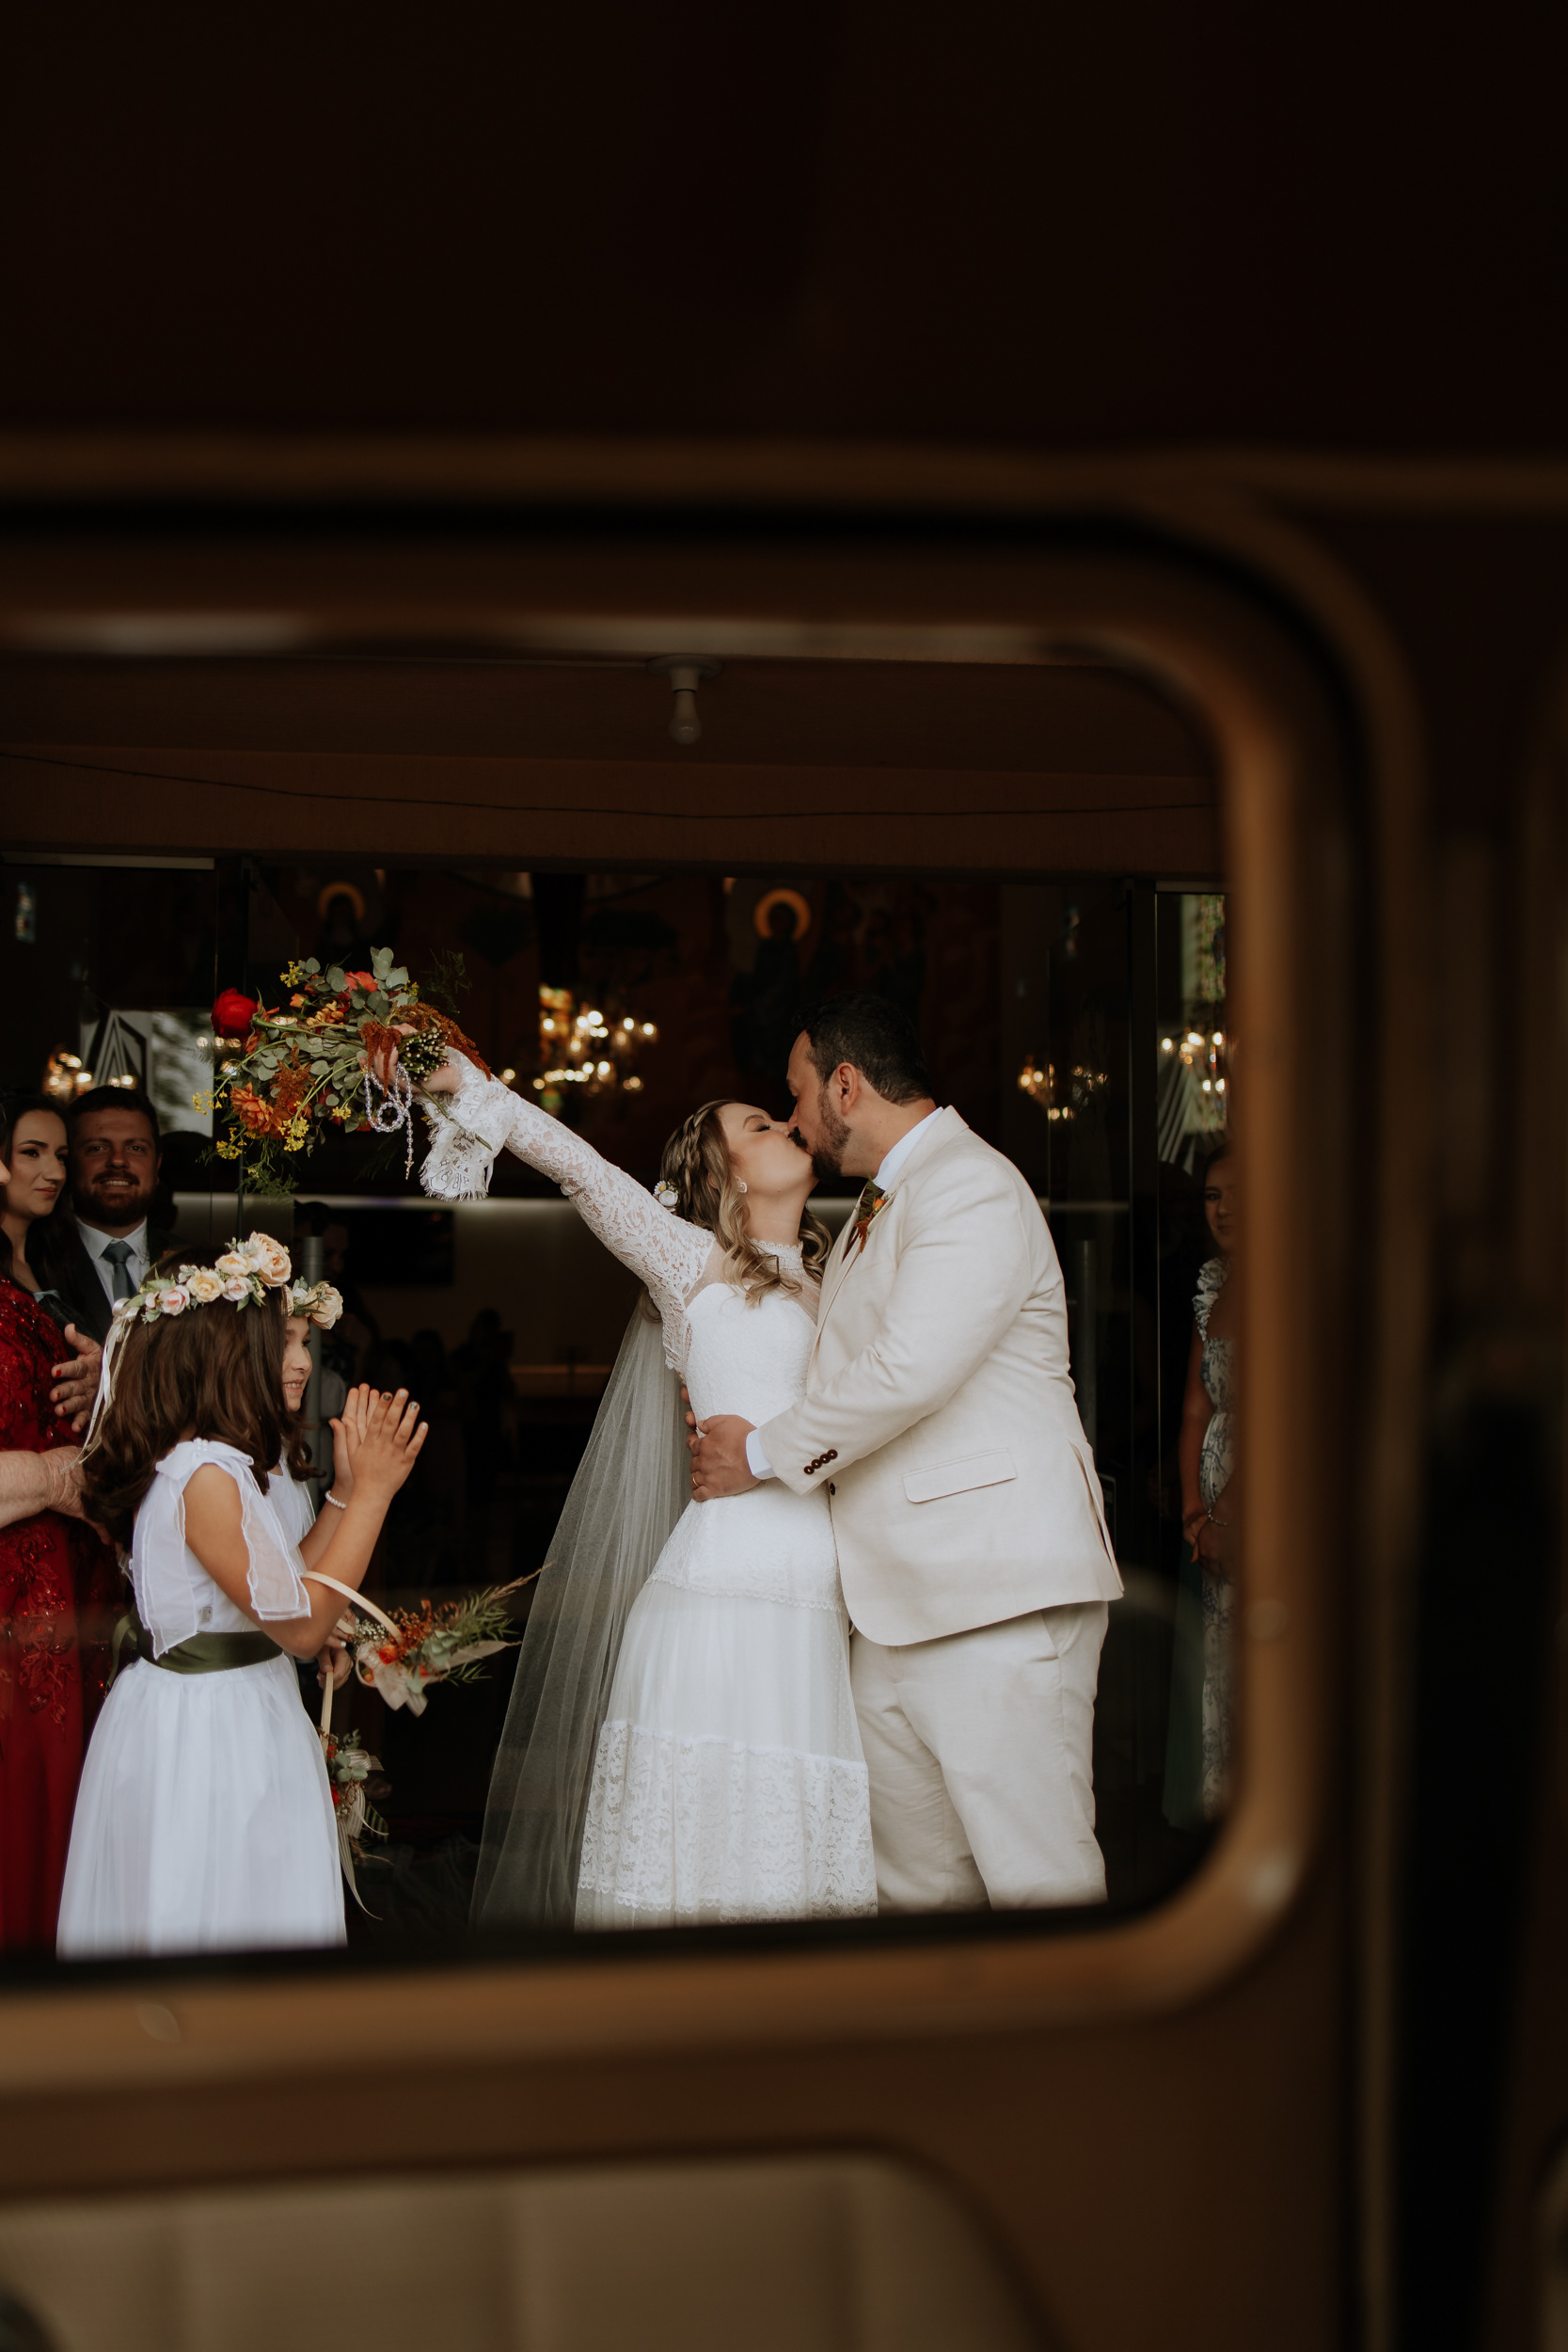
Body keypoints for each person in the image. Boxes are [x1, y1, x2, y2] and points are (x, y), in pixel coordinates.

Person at [402, 1041, 877, 1931]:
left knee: (789, 1858)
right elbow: (581, 1171)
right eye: (759, 1126)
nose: (786, 1126)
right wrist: (467, 1084)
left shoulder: (843, 1276)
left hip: (821, 1601)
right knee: (693, 1866)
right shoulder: (692, 1262)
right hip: (716, 1597)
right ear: (723, 1175)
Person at [689, 991, 1123, 1914]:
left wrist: (758, 1453)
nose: (795, 1119)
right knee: (916, 1899)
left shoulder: (971, 1182)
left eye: (798, 1093)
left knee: (1037, 1879)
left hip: (994, 1591)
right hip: (890, 1610)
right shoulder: (871, 1208)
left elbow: (908, 1369)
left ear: (845, 1086)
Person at [56, 1239, 428, 1958]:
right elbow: (303, 1628)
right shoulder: (201, 1472)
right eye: (281, 1340)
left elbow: (283, 1586)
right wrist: (376, 1498)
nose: (302, 1360)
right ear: (225, 1351)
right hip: (206, 1729)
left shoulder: (221, 1462)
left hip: (241, 1704)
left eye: (301, 1341)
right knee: (213, 1911)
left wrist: (346, 1491)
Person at [0, 1099, 121, 1950]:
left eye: (58, 1154)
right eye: (31, 1153)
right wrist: (50, 1476)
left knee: (69, 1782)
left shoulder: (53, 1268)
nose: (52, 1171)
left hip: (72, 1564)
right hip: (14, 1558)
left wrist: (103, 1380)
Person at [1169, 1137, 1238, 1823]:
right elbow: (1196, 1407)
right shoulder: (1214, 1285)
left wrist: (1226, 1517)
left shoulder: (1287, 1283)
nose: (1224, 1209)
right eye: (1213, 1195)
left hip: (1264, 1506)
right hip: (1213, 1515)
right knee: (1219, 1665)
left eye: (1239, 1193)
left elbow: (1282, 1413)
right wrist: (1194, 1509)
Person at [60, 1086, 166, 1344]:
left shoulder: (199, 1264)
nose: (118, 1160)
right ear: (69, 1162)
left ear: (157, 1165)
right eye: (97, 1148)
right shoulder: (39, 1263)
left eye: (136, 1148)